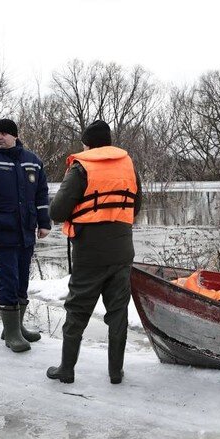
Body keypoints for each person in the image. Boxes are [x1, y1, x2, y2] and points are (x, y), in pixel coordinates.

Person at [47, 120, 140, 385]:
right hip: (122, 250)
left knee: (77, 310)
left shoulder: (81, 167)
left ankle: (66, 369)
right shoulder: (127, 165)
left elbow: (57, 212)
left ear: (87, 144)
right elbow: (136, 205)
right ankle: (115, 372)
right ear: (109, 142)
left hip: (89, 252)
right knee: (118, 311)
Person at [0, 119, 51, 352]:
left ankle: (16, 326)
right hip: (1, 231)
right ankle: (11, 334)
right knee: (8, 278)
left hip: (26, 230)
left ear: (15, 136)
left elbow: (42, 194)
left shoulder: (33, 161)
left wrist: (44, 222)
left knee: (23, 278)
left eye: (4, 133)